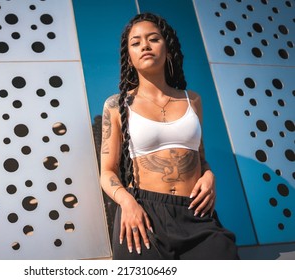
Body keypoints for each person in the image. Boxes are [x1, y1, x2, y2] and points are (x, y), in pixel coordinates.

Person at [100, 12, 239, 260]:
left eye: (153, 39)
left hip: (195, 214)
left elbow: (200, 157)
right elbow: (107, 172)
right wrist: (128, 203)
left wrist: (209, 175)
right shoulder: (116, 105)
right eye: (136, 42)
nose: (145, 45)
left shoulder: (192, 100)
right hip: (142, 215)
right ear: (129, 57)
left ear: (167, 48)